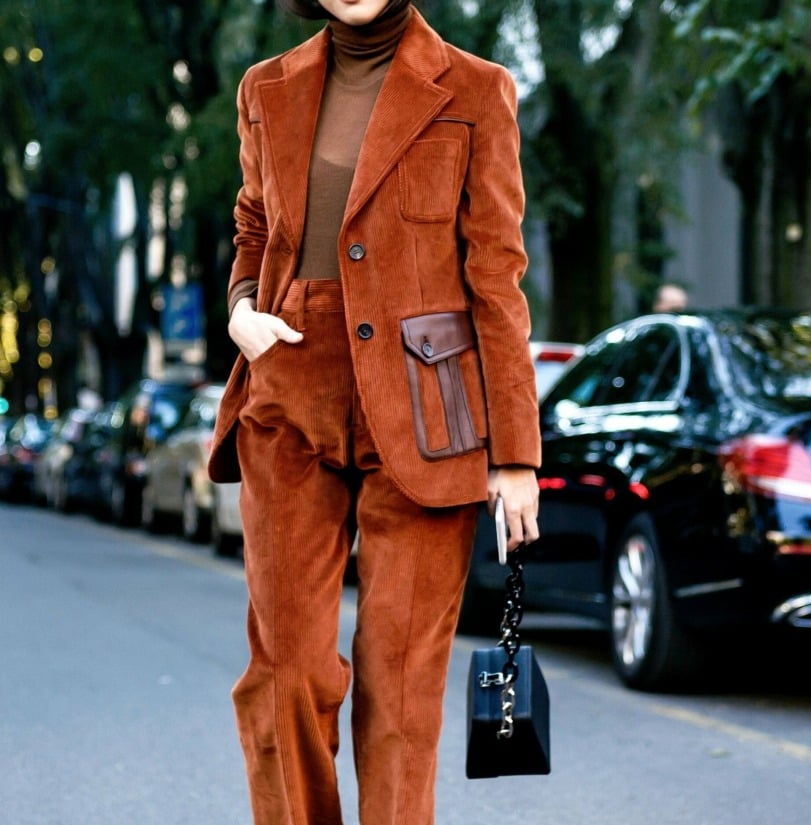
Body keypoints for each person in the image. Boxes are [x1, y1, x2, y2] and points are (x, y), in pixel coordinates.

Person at [207, 1, 541, 822]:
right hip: (289, 382)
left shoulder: (477, 88)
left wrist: (516, 455)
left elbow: (496, 276)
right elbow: (254, 224)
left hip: (430, 404)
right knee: (286, 670)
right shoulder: (266, 86)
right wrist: (242, 309)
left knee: (400, 687)